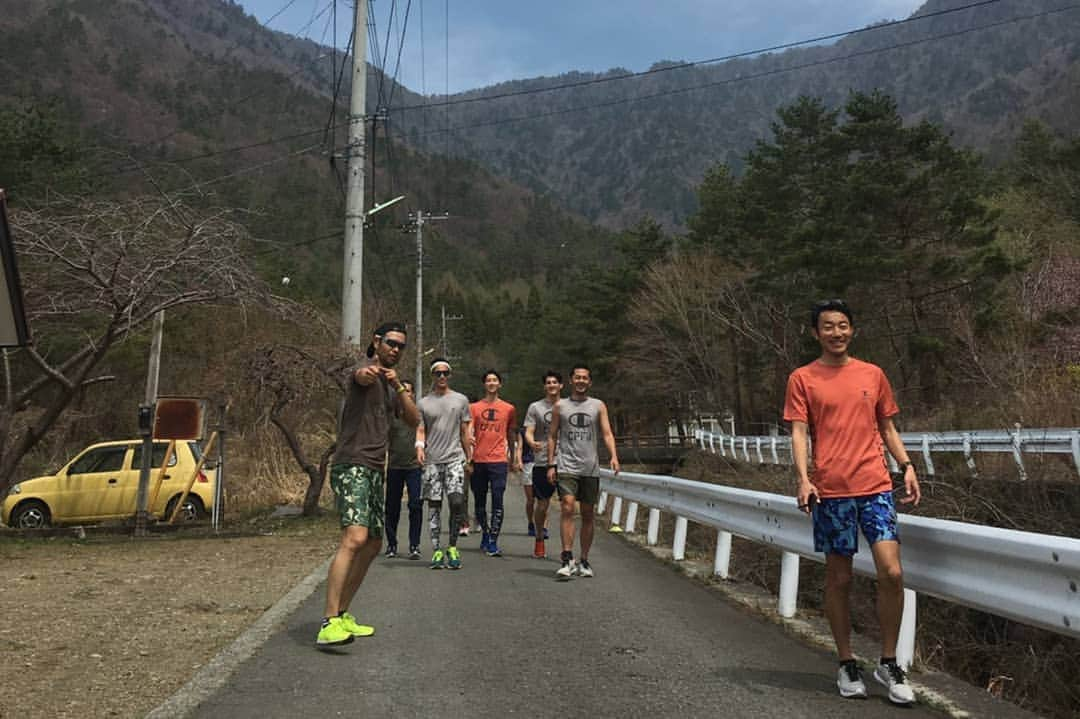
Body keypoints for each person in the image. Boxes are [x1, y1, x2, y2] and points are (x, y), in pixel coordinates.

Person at [783, 299, 921, 705]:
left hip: (875, 486)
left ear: (853, 329)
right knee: (839, 579)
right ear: (816, 333)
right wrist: (804, 479)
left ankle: (889, 662)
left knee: (892, 572)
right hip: (831, 492)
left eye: (843, 325)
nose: (837, 333)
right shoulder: (803, 378)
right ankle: (846, 662)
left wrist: (907, 464)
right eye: (828, 326)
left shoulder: (872, 374)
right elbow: (798, 432)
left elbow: (887, 426)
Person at [317, 321, 419, 646]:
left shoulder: (391, 385)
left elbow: (415, 420)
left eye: (401, 346)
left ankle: (344, 613)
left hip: (376, 469)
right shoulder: (363, 369)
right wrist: (372, 371)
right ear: (377, 341)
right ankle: (328, 621)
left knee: (374, 543)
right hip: (353, 464)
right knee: (355, 537)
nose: (396, 350)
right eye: (391, 343)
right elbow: (360, 376)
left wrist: (399, 387)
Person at [546, 364, 619, 579]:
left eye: (584, 378)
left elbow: (607, 433)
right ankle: (567, 558)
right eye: (577, 377)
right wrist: (551, 463)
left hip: (590, 467)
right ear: (570, 381)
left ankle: (584, 559)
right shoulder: (560, 406)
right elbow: (552, 435)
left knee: (588, 513)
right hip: (567, 465)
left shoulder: (598, 405)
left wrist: (613, 456)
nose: (580, 381)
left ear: (589, 382)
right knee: (568, 507)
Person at [416, 358, 472, 570]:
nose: (441, 377)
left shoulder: (460, 400)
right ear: (432, 376)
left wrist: (470, 456)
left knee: (457, 501)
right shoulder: (423, 403)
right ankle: (438, 549)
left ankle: (452, 546)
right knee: (434, 506)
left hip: (455, 458)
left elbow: (465, 430)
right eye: (438, 373)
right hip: (432, 460)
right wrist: (419, 448)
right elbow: (421, 429)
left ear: (450, 375)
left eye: (445, 373)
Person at [469, 370, 518, 556]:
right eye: (488, 380)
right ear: (484, 384)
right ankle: (485, 531)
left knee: (498, 499)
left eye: (494, 380)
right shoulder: (474, 408)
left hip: (498, 460)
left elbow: (511, 433)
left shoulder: (509, 408)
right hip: (479, 460)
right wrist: (468, 459)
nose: (491, 383)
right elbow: (468, 434)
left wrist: (514, 457)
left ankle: (493, 540)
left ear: (500, 384)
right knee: (479, 501)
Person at [524, 370, 563, 558]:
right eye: (548, 382)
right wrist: (531, 442)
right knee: (542, 505)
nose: (552, 385)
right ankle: (539, 536)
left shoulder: (569, 406)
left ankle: (567, 550)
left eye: (555, 382)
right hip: (542, 461)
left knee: (569, 506)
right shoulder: (535, 407)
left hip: (567, 461)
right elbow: (529, 430)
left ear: (561, 385)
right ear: (544, 386)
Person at [384, 380, 423, 560]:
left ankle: (414, 545)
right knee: (392, 507)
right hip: (394, 466)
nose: (405, 394)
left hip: (414, 467)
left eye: (408, 391)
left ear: (413, 394)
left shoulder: (417, 416)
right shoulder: (391, 416)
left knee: (415, 504)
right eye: (402, 390)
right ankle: (391, 545)